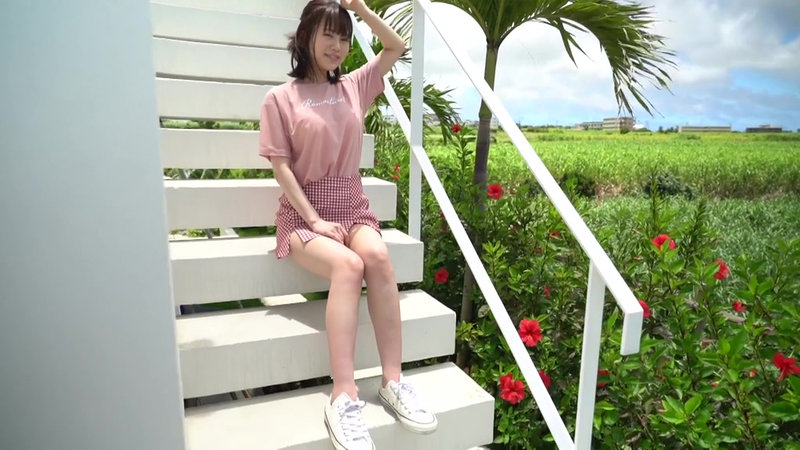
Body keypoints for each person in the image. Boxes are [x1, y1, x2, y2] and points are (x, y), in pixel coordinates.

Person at [258, 1, 438, 448]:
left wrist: (359, 8)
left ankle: (393, 381)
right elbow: (281, 168)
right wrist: (315, 219)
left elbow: (396, 46)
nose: (337, 45)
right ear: (306, 36)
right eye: (328, 34)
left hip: (352, 205)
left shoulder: (354, 85)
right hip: (303, 213)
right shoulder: (280, 98)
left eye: (344, 36)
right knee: (348, 266)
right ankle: (343, 395)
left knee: (377, 256)